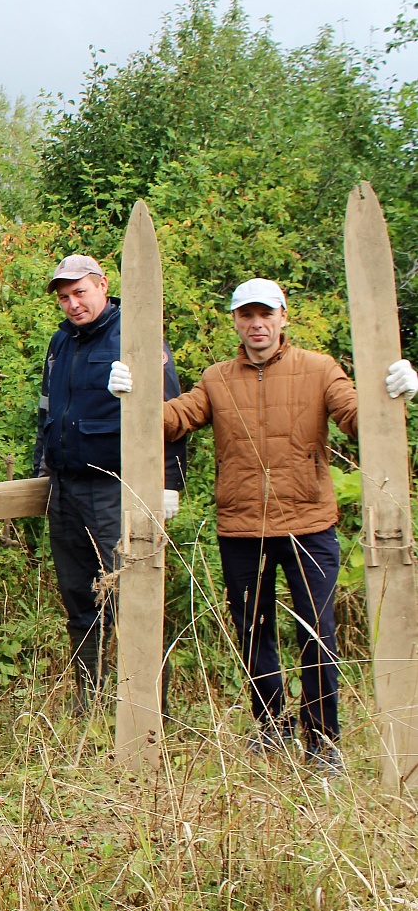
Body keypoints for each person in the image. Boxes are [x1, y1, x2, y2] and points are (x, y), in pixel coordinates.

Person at [110, 277, 418, 772]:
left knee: (316, 633)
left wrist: (394, 395)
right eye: (246, 315)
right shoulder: (217, 378)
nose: (257, 324)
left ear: (283, 317)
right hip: (242, 527)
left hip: (309, 525)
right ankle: (270, 728)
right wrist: (133, 394)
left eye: (265, 314)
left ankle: (323, 742)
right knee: (253, 633)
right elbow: (173, 419)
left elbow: (361, 421)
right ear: (235, 321)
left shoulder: (318, 370)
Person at [33, 255, 188, 712]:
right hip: (65, 489)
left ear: (103, 285)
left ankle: (144, 704)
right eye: (64, 297)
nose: (72, 304)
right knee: (80, 595)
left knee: (131, 593)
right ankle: (91, 696)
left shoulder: (135, 337)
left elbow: (171, 415)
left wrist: (168, 483)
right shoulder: (60, 343)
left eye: (80, 292)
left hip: (114, 488)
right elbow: (46, 412)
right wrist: (42, 468)